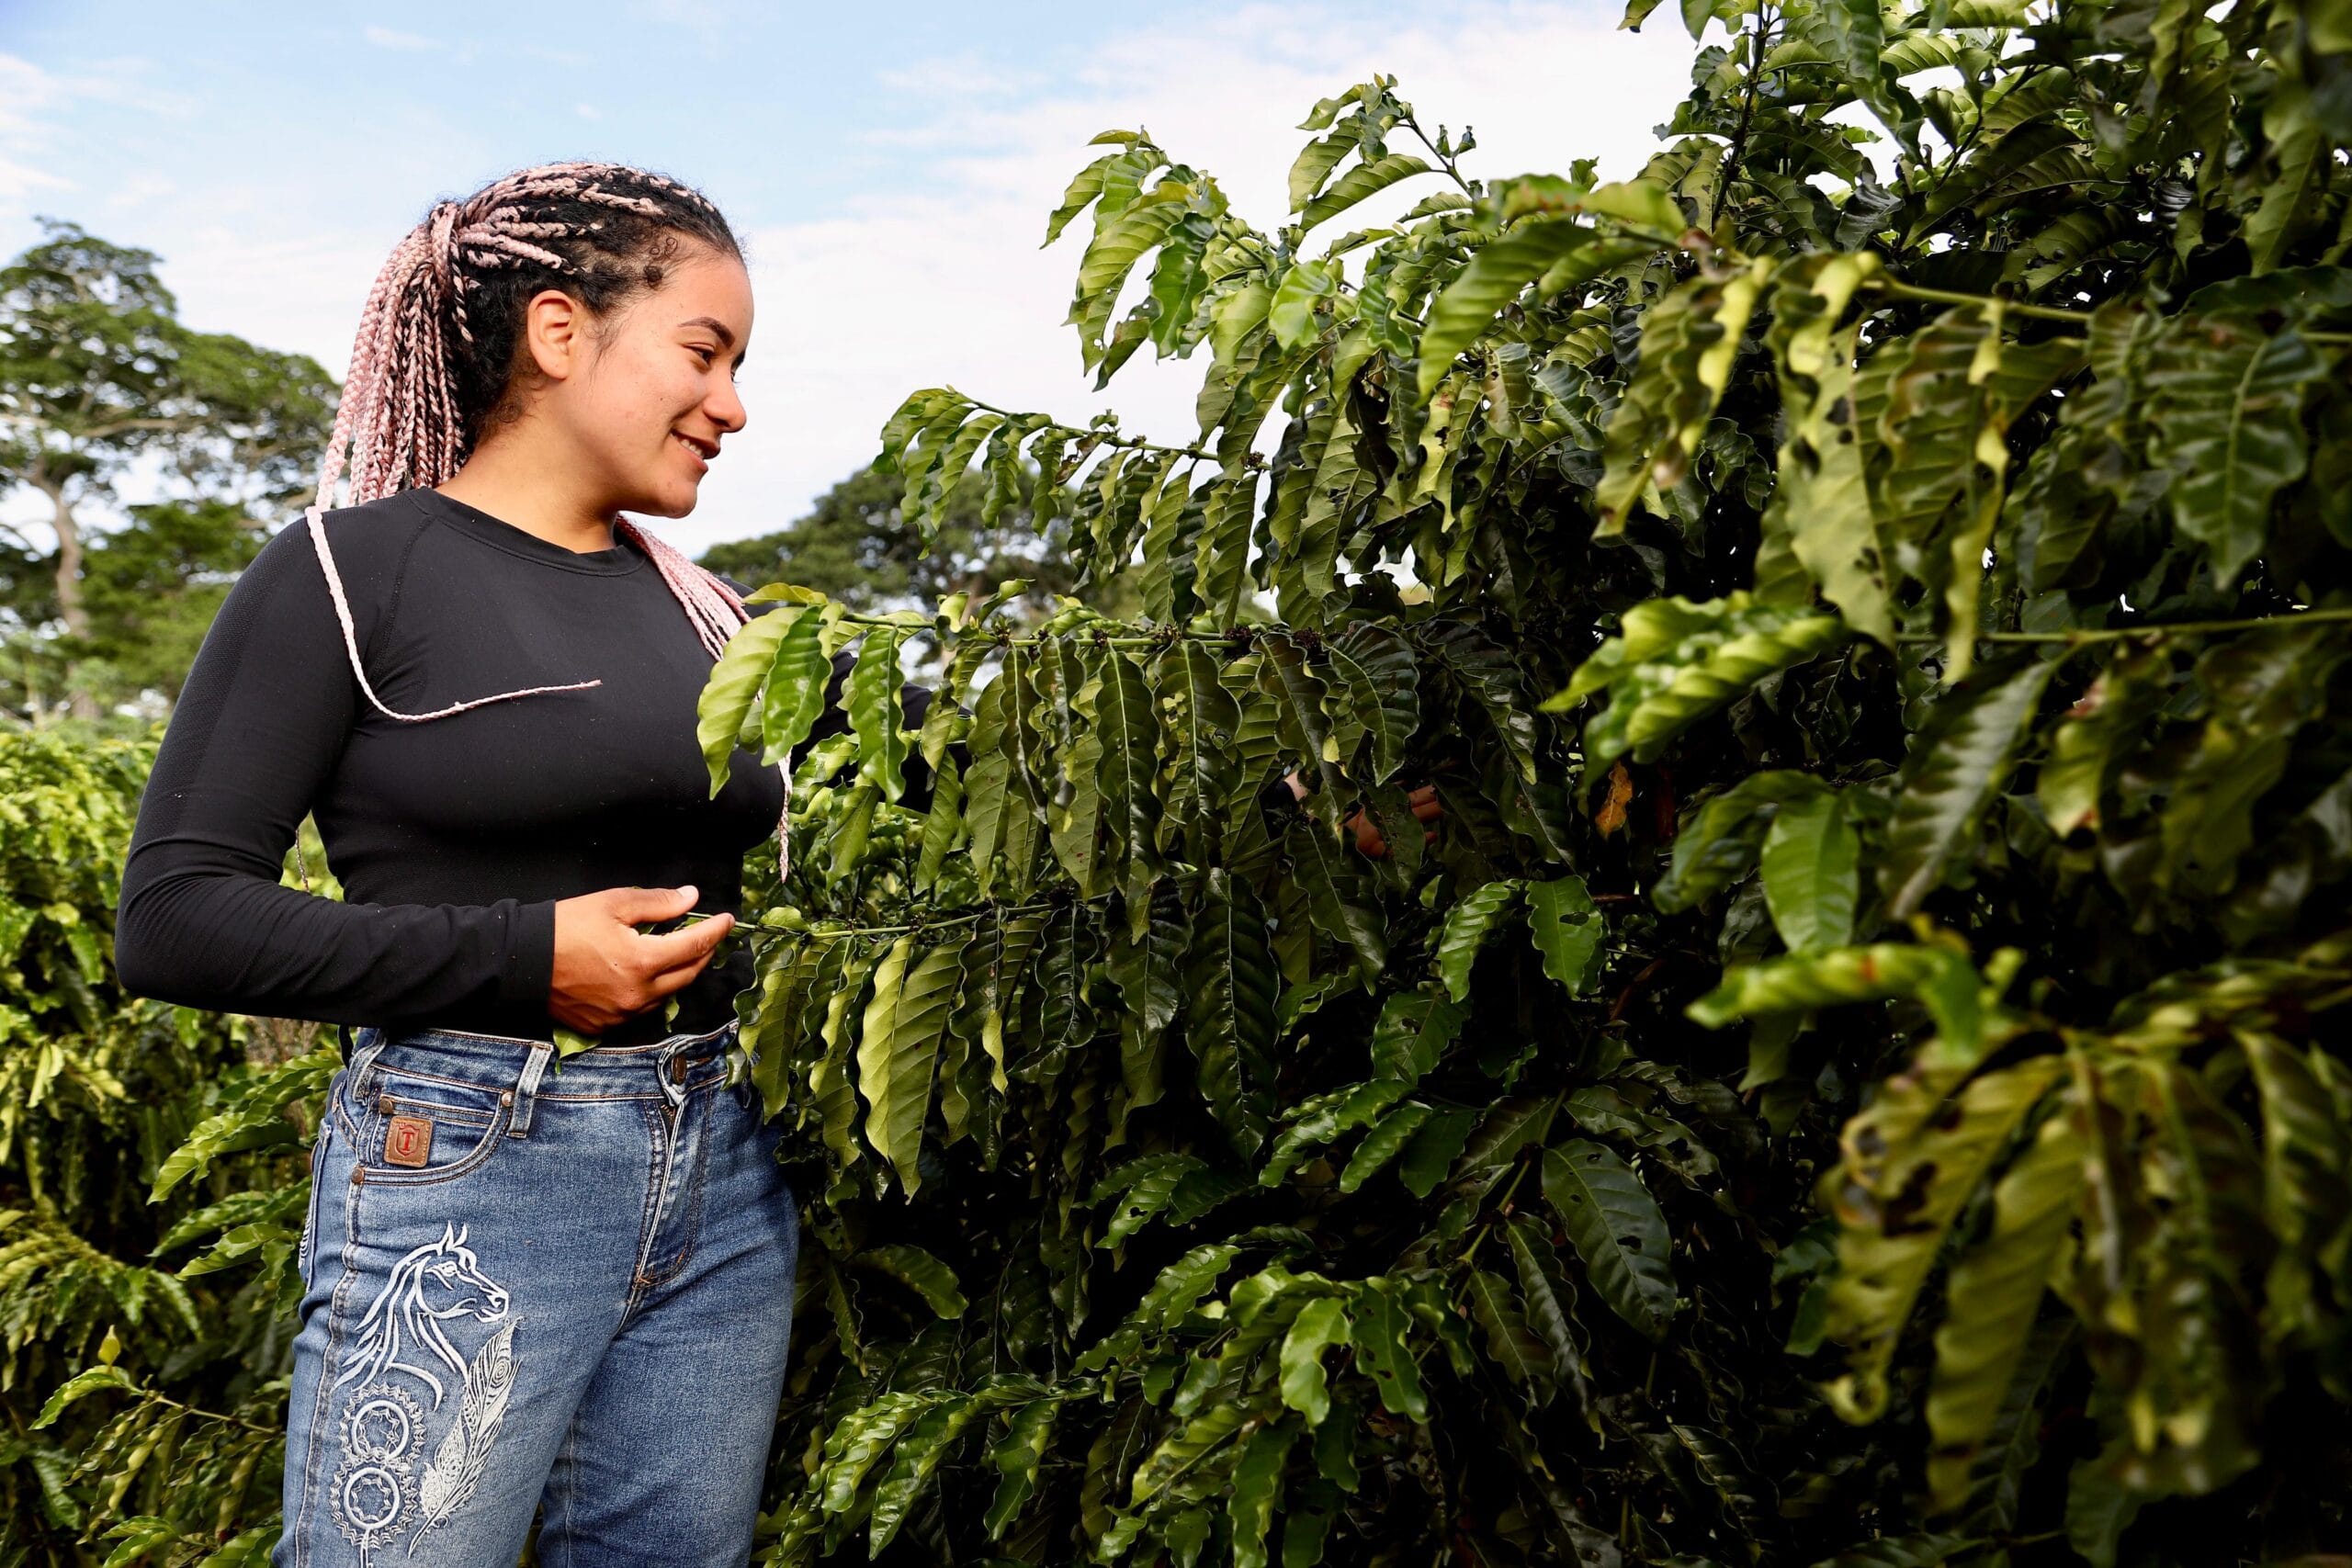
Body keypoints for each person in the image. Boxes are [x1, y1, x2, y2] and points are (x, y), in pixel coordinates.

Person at [115, 163, 807, 1567]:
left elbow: (944, 761)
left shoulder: (706, 608)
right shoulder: (347, 572)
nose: (733, 404)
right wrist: (523, 957)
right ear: (562, 334)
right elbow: (175, 920)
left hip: (725, 1167)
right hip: (477, 1166)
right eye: (705, 352)